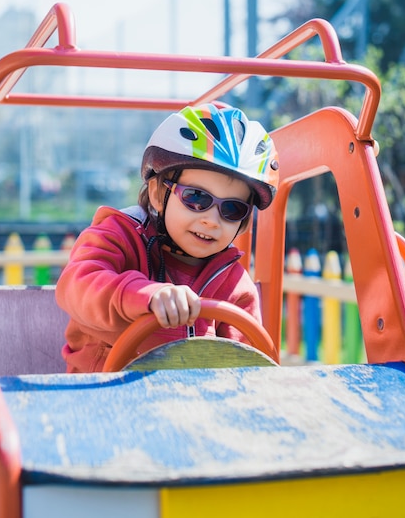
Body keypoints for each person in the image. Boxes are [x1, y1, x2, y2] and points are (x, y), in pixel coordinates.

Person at [55, 103, 279, 372]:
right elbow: (77, 285)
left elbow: (248, 364)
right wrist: (147, 295)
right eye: (196, 198)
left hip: (190, 405)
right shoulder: (119, 235)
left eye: (232, 209)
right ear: (157, 193)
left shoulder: (233, 284)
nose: (211, 219)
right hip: (98, 396)